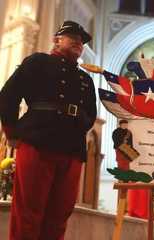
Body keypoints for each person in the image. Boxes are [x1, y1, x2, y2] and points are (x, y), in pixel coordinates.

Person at [0, 21, 97, 239]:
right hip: (38, 141)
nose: (79, 42)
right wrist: (12, 132)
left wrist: (78, 124)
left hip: (72, 149)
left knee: (59, 215)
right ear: (56, 40)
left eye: (81, 41)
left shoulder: (85, 78)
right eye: (73, 36)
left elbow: (91, 113)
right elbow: (8, 96)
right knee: (29, 213)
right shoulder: (38, 62)